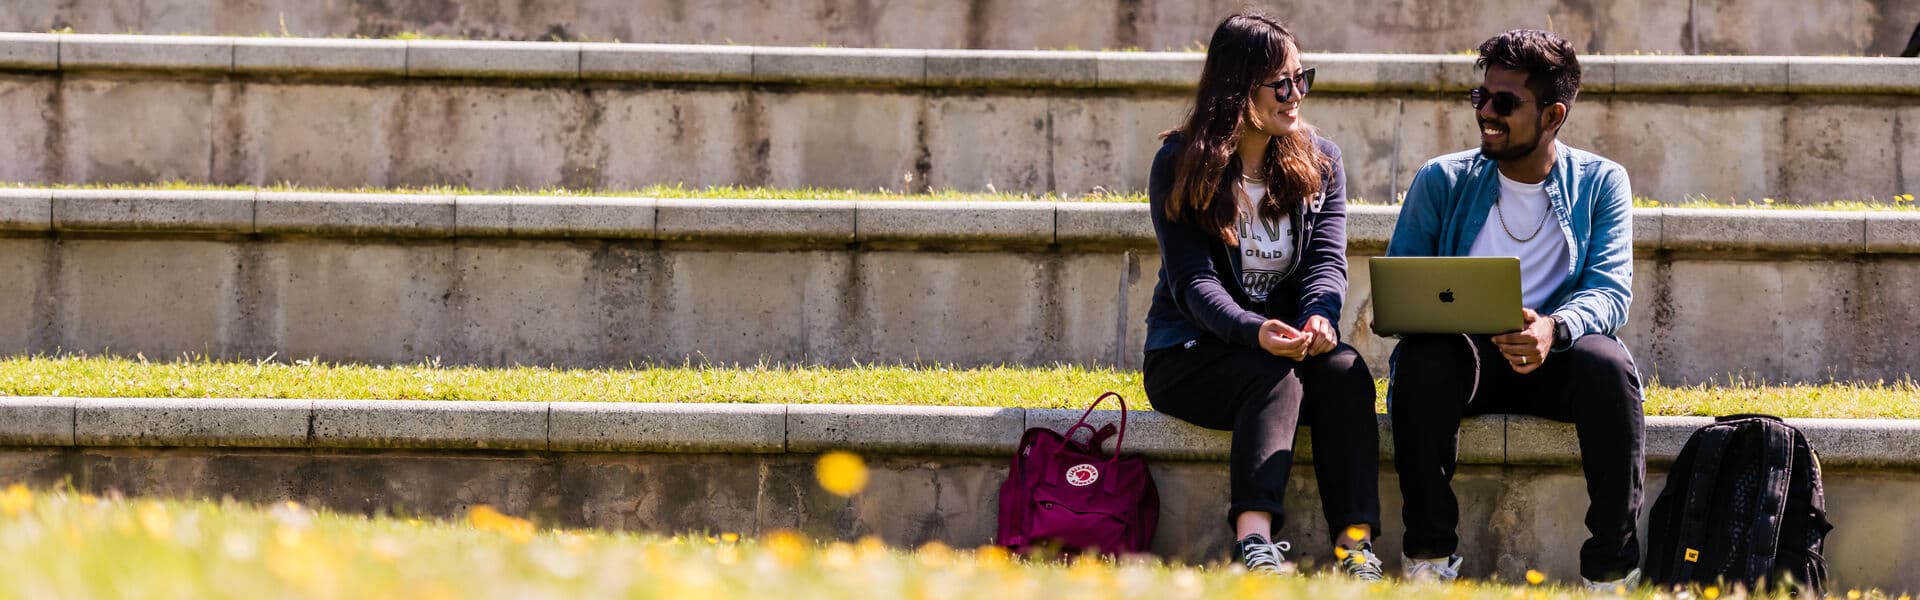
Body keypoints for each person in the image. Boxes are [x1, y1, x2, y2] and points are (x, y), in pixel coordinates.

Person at [1384, 29, 1644, 589]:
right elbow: (1402, 285)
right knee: (1424, 360)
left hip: (1558, 355)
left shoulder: (1601, 183)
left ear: (1553, 114)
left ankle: (1611, 569)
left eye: (1505, 103)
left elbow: (1611, 291)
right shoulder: (1442, 181)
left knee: (1610, 368)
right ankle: (1429, 557)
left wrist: (1555, 326)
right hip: (1467, 362)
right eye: (1481, 97)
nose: (1486, 114)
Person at [1142, 12, 1382, 580]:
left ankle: (1355, 547)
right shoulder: (1179, 164)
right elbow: (1192, 283)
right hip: (1190, 354)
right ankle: (1255, 543)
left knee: (1347, 371)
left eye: (1302, 78)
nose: (1295, 93)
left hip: (1282, 347)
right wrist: (1253, 331)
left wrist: (1321, 317)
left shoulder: (1320, 161)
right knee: (1268, 372)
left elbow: (1327, 261)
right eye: (1281, 82)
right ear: (1237, 87)